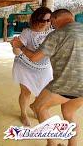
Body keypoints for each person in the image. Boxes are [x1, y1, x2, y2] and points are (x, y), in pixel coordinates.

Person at [12, 9, 83, 146]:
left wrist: (20, 45)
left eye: (50, 21)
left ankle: (51, 143)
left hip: (66, 83)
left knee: (39, 107)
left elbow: (34, 58)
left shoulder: (57, 34)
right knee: (69, 113)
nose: (49, 24)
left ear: (55, 19)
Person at [11, 7, 54, 126]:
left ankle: (35, 107)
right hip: (26, 67)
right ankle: (23, 113)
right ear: (35, 19)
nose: (46, 23)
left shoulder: (52, 33)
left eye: (49, 20)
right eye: (43, 20)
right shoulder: (27, 32)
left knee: (42, 93)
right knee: (26, 92)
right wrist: (15, 46)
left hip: (44, 68)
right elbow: (16, 51)